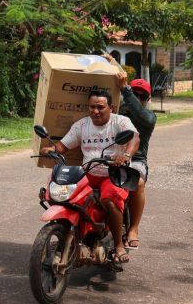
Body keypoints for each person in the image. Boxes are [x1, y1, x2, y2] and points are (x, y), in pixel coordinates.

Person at [41, 89, 140, 264]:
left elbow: (134, 139)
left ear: (110, 107)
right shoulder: (82, 125)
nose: (95, 111)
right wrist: (52, 149)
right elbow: (63, 146)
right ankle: (74, 234)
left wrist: (126, 155)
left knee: (109, 199)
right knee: (65, 197)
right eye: (92, 107)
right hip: (88, 172)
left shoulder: (121, 122)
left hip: (112, 173)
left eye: (100, 107)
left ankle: (118, 244)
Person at [116, 72, 156, 250]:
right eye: (135, 93)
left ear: (148, 99)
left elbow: (139, 112)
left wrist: (126, 90)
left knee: (138, 183)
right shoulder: (115, 111)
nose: (138, 98)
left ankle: (133, 229)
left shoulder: (148, 117)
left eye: (142, 96)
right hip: (108, 157)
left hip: (135, 161)